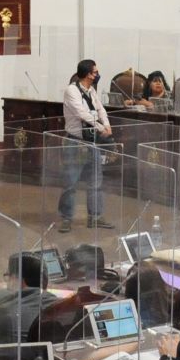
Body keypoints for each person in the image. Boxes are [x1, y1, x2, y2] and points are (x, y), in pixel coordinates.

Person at [59, 60, 113, 233]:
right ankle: (66, 218)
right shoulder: (72, 91)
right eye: (95, 72)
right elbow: (81, 113)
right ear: (88, 74)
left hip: (92, 142)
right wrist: (100, 127)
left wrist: (107, 124)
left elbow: (100, 109)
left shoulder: (92, 91)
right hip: (75, 141)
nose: (97, 74)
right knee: (70, 182)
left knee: (96, 181)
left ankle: (95, 217)